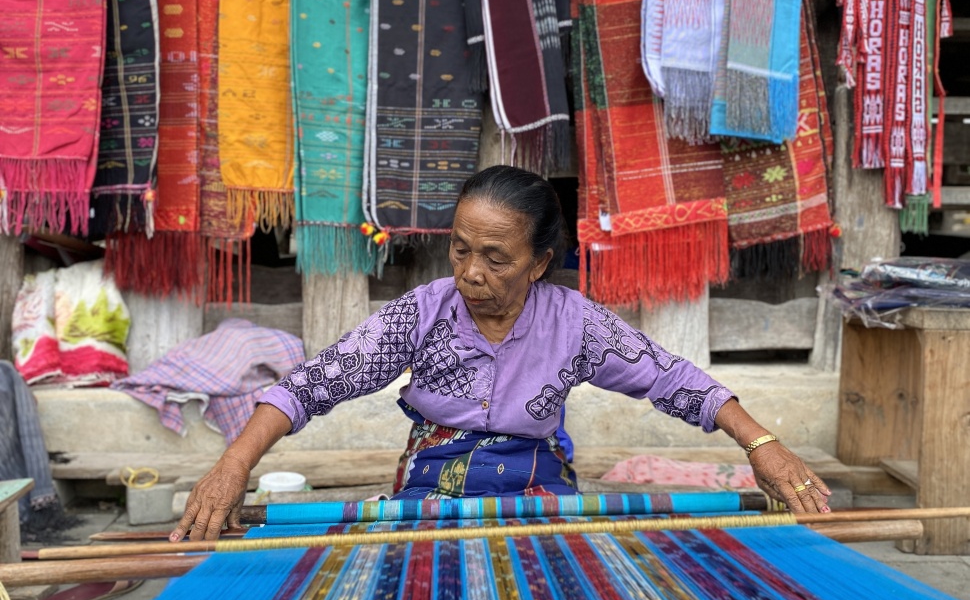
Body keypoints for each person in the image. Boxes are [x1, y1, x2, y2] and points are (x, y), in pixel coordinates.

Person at [172, 166, 830, 541]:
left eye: (496, 257)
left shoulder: (574, 323)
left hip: (538, 490)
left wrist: (761, 444)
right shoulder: (423, 312)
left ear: (541, 261)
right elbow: (313, 383)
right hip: (434, 489)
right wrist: (234, 463)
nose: (470, 272)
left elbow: (676, 381)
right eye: (460, 248)